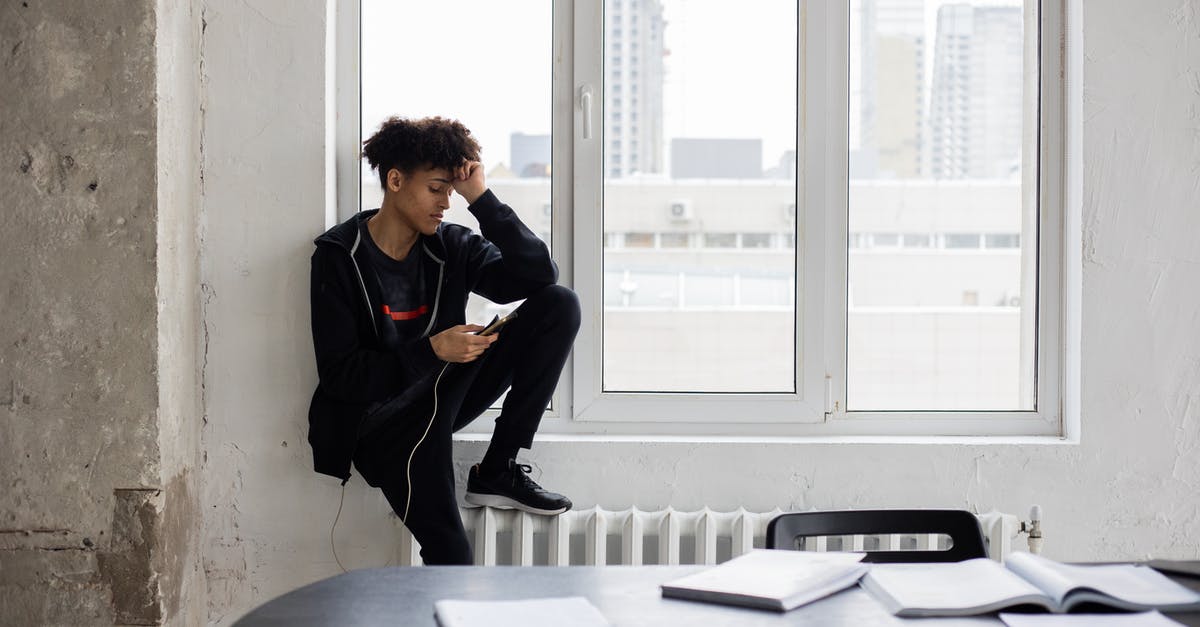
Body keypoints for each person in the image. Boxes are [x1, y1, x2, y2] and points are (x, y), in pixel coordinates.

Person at [307, 116, 579, 565]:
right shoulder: (339, 258)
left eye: (452, 192)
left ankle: (497, 470)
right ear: (394, 180)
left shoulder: (449, 245)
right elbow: (341, 377)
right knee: (453, 557)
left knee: (559, 304)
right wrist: (432, 350)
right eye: (437, 189)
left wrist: (481, 197)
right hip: (386, 426)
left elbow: (537, 276)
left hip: (446, 393)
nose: (445, 204)